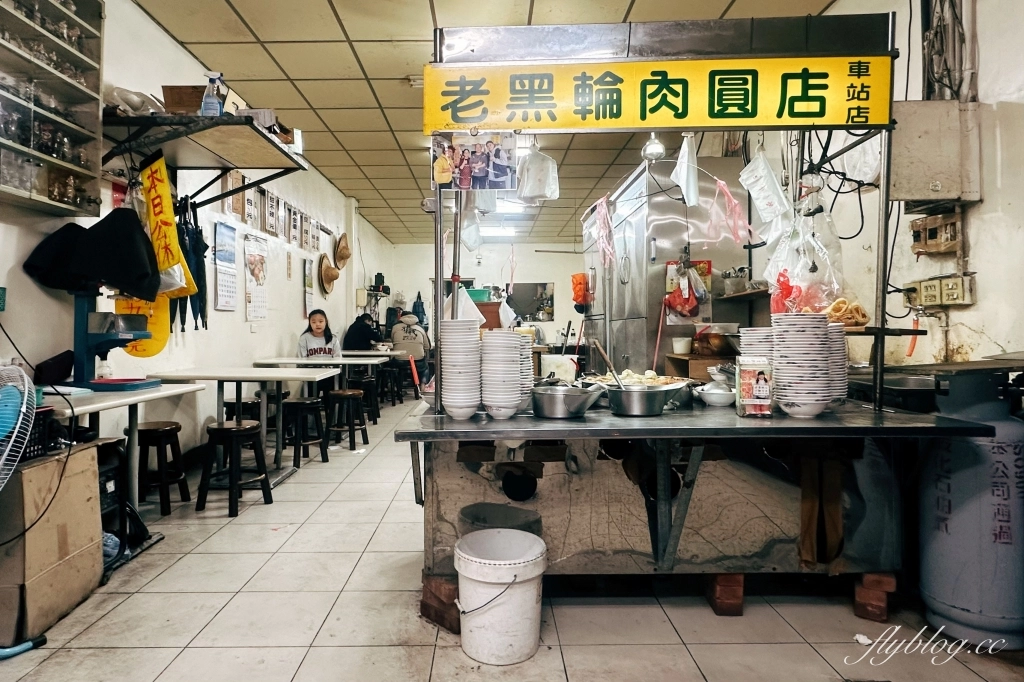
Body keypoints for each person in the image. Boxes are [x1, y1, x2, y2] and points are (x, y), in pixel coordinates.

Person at [297, 309, 341, 398]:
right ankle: (311, 411)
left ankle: (331, 411)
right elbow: (301, 359)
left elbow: (338, 358)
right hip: (311, 374)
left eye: (321, 321)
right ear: (310, 323)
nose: (317, 324)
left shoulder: (333, 339)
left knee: (331, 395)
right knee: (310, 396)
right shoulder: (304, 338)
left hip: (329, 374)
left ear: (326, 322)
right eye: (313, 322)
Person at [390, 311, 432, 385]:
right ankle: (422, 384)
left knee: (389, 364)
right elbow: (427, 346)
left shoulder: (395, 327)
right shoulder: (420, 328)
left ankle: (395, 386)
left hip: (400, 361)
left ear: (401, 317)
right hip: (418, 361)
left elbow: (393, 342)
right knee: (425, 366)